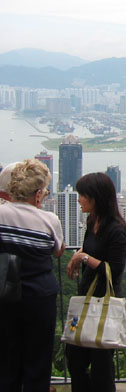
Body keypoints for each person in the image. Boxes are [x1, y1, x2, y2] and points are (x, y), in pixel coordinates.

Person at [0, 159, 65, 392]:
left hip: (5, 296)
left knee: (6, 359)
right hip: (39, 296)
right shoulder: (49, 220)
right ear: (38, 194)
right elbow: (59, 250)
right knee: (37, 360)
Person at [65, 173, 126, 392]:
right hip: (86, 298)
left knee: (101, 366)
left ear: (96, 197)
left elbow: (114, 269)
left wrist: (83, 258)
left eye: (83, 195)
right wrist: (81, 254)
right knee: (75, 359)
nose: (79, 199)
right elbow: (93, 250)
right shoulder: (93, 221)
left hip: (105, 302)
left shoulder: (116, 229)